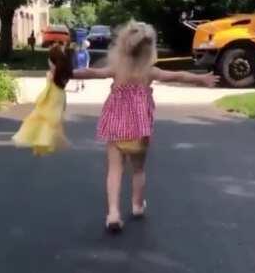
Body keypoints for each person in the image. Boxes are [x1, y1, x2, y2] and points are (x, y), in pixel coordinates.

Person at [73, 20, 219, 233]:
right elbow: (178, 76)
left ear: (122, 47)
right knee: (139, 170)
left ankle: (113, 212)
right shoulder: (150, 72)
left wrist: (66, 73)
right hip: (140, 131)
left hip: (116, 129)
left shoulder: (116, 70)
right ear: (149, 50)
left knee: (114, 170)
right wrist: (201, 79)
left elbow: (92, 73)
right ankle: (137, 205)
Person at [12, 44, 73, 156]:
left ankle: (41, 143)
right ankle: (41, 143)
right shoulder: (63, 73)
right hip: (58, 97)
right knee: (49, 122)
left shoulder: (54, 73)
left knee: (43, 119)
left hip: (52, 97)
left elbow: (53, 73)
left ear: (52, 61)